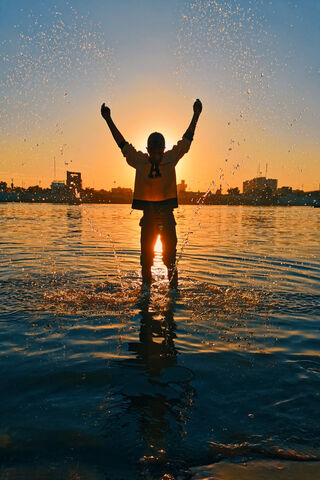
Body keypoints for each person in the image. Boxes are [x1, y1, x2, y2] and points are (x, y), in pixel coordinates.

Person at [101, 98, 202, 288]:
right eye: (153, 151)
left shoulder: (162, 159)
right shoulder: (144, 160)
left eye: (158, 150)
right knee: (147, 262)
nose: (156, 154)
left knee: (169, 262)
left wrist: (196, 115)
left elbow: (187, 140)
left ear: (161, 149)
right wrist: (108, 120)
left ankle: (171, 294)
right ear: (148, 150)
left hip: (164, 218)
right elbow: (121, 143)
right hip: (149, 219)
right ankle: (147, 293)